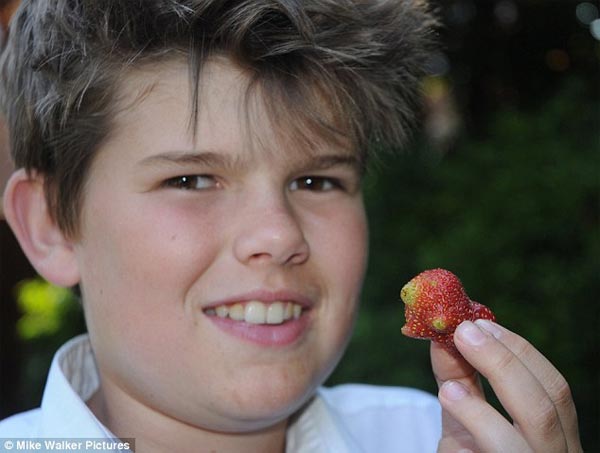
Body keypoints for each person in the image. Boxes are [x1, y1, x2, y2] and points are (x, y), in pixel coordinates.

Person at [0, 1, 582, 452]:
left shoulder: (426, 431)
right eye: (191, 180)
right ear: (50, 225)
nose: (279, 235)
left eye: (317, 182)